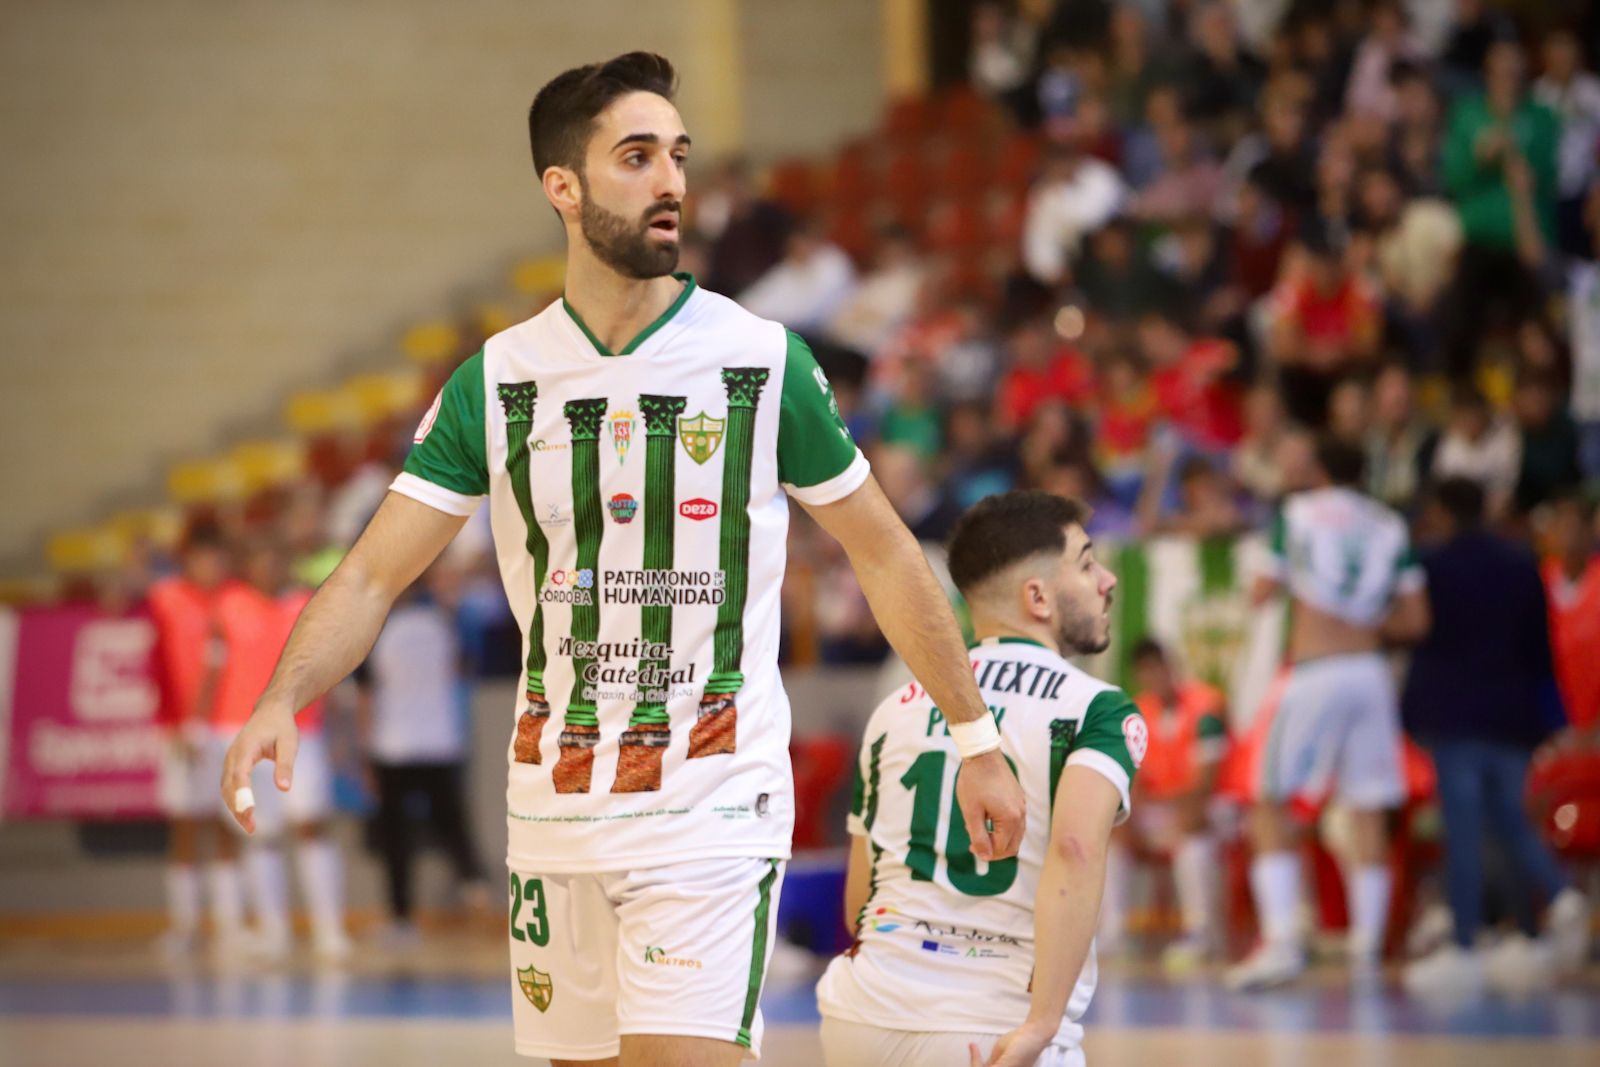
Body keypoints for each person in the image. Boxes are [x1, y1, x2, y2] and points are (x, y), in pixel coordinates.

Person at [220, 52, 1024, 1067]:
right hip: (552, 812)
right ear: (562, 187)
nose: (671, 181)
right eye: (636, 157)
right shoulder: (495, 380)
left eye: (677, 156)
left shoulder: (761, 357)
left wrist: (974, 732)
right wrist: (277, 697)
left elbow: (885, 552)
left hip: (711, 801)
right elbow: (373, 573)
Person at [816, 490, 1139, 1067]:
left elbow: (859, 901)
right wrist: (1041, 1025)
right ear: (1037, 597)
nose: (1107, 580)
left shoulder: (895, 707)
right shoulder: (1097, 709)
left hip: (861, 1016)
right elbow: (1073, 850)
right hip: (996, 1020)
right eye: (1087, 563)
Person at [1225, 438, 1431, 990]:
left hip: (1315, 671)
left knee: (1266, 800)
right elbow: (1415, 621)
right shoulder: (1390, 525)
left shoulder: (1294, 514)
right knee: (1366, 807)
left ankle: (1283, 941)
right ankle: (1366, 948)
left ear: (1317, 468)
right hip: (1369, 675)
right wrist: (1365, 625)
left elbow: (1265, 590)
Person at [1400, 479, 1591, 995]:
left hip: (1459, 718)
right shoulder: (1520, 563)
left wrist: (1412, 714)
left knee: (1464, 834)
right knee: (1508, 819)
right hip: (1514, 717)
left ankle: (1467, 945)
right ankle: (1536, 927)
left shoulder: (1431, 565)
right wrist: (1550, 715)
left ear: (1439, 511)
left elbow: (1422, 642)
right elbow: (1539, 646)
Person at [214, 538, 349, 961]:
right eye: (259, 559)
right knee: (258, 832)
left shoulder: (306, 605)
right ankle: (273, 931)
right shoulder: (228, 606)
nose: (267, 569)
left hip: (300, 728)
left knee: (310, 823)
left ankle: (329, 929)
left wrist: (339, 731)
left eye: (275, 558)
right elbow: (210, 669)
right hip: (238, 728)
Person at [354, 560, 490, 945]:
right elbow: (462, 671)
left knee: (397, 839)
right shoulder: (442, 628)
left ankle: (401, 919)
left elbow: (366, 698)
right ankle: (474, 882)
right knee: (452, 824)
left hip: (393, 745)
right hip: (440, 742)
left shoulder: (377, 634)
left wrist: (363, 754)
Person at [147, 522, 245, 959]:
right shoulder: (165, 597)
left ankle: (230, 925)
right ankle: (184, 925)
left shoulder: (233, 600)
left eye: (219, 558)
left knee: (229, 823)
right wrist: (178, 721)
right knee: (185, 824)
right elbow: (158, 660)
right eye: (204, 558)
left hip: (226, 726)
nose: (212, 567)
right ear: (188, 560)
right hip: (179, 729)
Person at [1118, 638, 1229, 972]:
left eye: (1158, 667)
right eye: (1145, 671)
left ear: (1172, 666)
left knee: (1192, 844)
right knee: (1111, 837)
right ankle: (1112, 935)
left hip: (1213, 805)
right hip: (1162, 809)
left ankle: (1200, 933)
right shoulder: (1137, 712)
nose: (1154, 677)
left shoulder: (1207, 706)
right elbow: (1133, 780)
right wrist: (1129, 820)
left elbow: (1208, 781)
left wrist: (1187, 815)